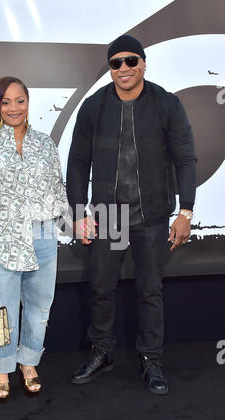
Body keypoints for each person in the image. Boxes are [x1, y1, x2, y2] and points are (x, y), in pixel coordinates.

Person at [66, 34, 196, 395]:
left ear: (142, 64)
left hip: (152, 216)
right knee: (101, 289)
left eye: (130, 61)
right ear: (110, 69)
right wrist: (78, 211)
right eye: (116, 63)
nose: (123, 68)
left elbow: (186, 159)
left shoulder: (167, 104)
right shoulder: (93, 107)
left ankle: (151, 359)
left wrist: (186, 210)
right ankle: (102, 352)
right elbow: (77, 163)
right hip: (108, 215)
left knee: (150, 291)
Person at [0, 76, 68, 400]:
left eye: (19, 100)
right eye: (6, 102)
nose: (14, 108)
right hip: (1, 240)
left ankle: (29, 363)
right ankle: (2, 366)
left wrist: (68, 222)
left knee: (39, 308)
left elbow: (57, 188)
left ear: (28, 102)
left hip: (43, 236)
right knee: (3, 310)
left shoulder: (45, 143)